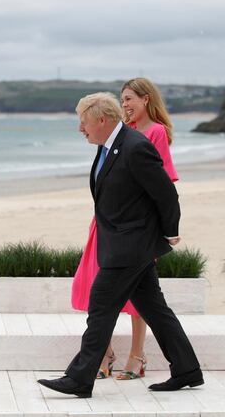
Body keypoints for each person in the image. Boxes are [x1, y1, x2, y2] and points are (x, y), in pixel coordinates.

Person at [38, 92, 203, 398]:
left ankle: (79, 378)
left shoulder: (135, 147)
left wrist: (169, 233)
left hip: (132, 244)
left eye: (83, 122)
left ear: (102, 120)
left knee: (100, 303)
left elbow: (166, 194)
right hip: (124, 242)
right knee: (154, 308)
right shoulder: (110, 146)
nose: (80, 129)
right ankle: (186, 369)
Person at [70, 78, 178, 380]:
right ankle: (106, 355)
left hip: (136, 230)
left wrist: (160, 230)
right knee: (97, 284)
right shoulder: (120, 133)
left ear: (147, 100)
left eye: (130, 98)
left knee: (138, 297)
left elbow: (162, 185)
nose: (126, 104)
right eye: (122, 98)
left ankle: (136, 355)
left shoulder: (153, 133)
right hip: (107, 224)